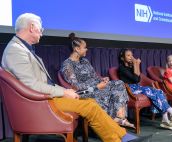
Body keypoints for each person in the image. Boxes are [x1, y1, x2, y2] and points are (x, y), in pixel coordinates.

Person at [1, 13, 150, 142]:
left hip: (43, 98)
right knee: (90, 105)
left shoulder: (22, 49)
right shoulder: (16, 50)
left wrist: (66, 92)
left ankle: (121, 136)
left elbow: (46, 83)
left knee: (91, 102)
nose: (42, 32)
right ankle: (119, 138)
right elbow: (31, 85)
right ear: (32, 27)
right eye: (41, 29)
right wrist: (65, 92)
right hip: (38, 103)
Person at [60, 34, 134, 128]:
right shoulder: (67, 65)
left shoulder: (85, 61)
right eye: (85, 47)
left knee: (119, 83)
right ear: (77, 49)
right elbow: (76, 87)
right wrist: (97, 87)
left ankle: (119, 117)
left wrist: (102, 79)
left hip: (97, 86)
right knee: (108, 93)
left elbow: (94, 76)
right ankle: (117, 121)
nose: (87, 49)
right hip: (85, 92)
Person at [118, 49, 172, 131]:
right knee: (150, 90)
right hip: (129, 89)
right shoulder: (121, 68)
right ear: (123, 58)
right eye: (128, 55)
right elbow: (135, 78)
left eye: (132, 55)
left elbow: (137, 79)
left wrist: (135, 65)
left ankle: (165, 120)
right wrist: (136, 64)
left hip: (137, 87)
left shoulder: (132, 66)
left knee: (159, 91)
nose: (131, 57)